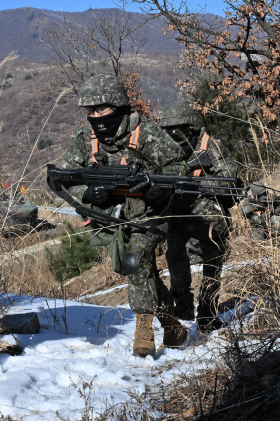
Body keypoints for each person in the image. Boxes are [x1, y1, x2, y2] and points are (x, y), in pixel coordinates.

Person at [58, 74, 187, 357]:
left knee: (136, 261)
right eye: (89, 111)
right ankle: (171, 323)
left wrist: (152, 187)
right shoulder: (84, 138)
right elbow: (65, 176)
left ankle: (143, 330)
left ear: (118, 105)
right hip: (114, 218)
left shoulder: (147, 133)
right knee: (142, 270)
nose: (94, 116)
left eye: (100, 110)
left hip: (152, 213)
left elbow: (179, 170)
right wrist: (88, 194)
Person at [158, 105, 237, 332]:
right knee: (174, 253)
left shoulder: (210, 146)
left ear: (190, 128)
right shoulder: (163, 149)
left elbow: (229, 181)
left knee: (212, 265)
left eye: (178, 130)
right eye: (168, 130)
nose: (173, 135)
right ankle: (182, 303)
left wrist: (199, 182)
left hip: (211, 216)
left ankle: (208, 313)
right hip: (178, 213)